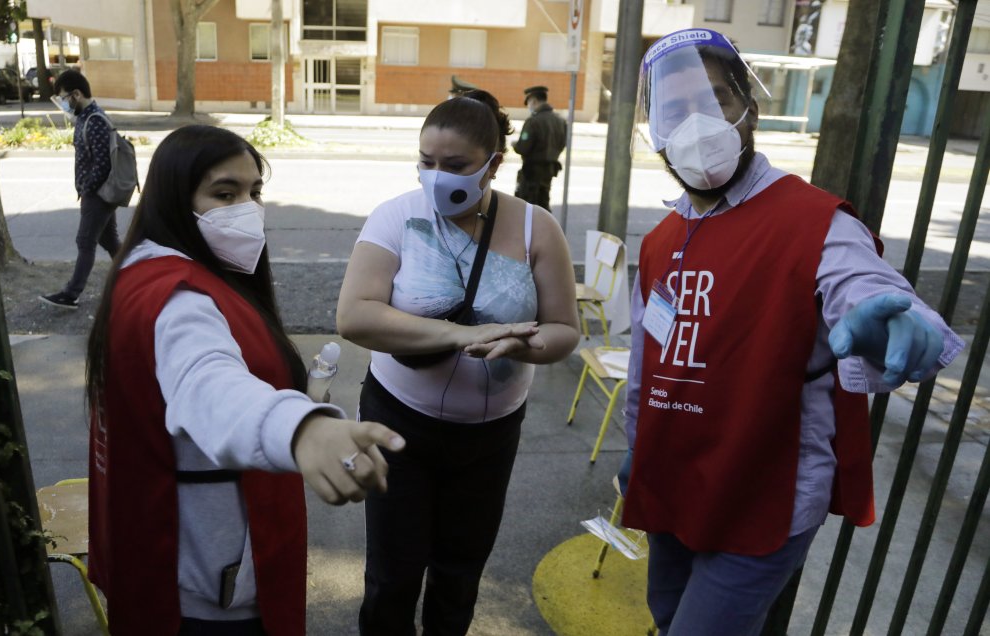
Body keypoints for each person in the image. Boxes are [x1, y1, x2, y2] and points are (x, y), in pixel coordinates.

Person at [619, 28, 965, 635]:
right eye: (675, 111)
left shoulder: (813, 221)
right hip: (675, 475)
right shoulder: (661, 240)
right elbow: (649, 362)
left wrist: (898, 322)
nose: (696, 125)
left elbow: (862, 284)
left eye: (715, 101)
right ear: (656, 133)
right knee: (668, 615)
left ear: (748, 108)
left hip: (764, 490)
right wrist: (636, 445)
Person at [84, 125, 406, 635]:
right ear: (173, 199)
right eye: (224, 193)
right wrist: (303, 429)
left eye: (254, 192)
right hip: (206, 586)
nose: (247, 208)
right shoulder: (177, 298)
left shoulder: (152, 271)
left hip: (184, 559)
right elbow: (209, 385)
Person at [337, 89, 580, 635]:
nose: (437, 177)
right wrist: (455, 333)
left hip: (488, 438)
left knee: (460, 572)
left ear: (494, 162)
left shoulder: (535, 228)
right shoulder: (396, 216)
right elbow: (354, 315)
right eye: (426, 163)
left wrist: (523, 345)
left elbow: (565, 331)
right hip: (399, 424)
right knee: (393, 574)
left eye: (456, 165)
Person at [40, 69, 123, 309]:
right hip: (97, 193)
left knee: (85, 242)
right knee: (110, 241)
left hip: (97, 195)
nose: (63, 104)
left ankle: (71, 294)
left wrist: (87, 188)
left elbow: (103, 163)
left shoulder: (94, 120)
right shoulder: (86, 117)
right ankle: (135, 277)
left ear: (77, 94)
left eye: (64, 98)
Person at [511, 85, 567, 211]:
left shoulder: (533, 121)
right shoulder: (560, 121)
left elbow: (523, 148)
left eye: (529, 103)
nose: (529, 107)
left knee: (527, 208)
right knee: (544, 204)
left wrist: (515, 145)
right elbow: (563, 143)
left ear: (534, 101)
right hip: (550, 170)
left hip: (532, 172)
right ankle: (545, 229)